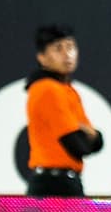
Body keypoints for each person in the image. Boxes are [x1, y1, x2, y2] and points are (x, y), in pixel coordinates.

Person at [26, 24, 103, 198]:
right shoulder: (47, 89)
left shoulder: (68, 90)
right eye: (58, 48)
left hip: (63, 182)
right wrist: (88, 135)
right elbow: (77, 144)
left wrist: (90, 136)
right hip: (52, 185)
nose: (67, 54)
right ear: (42, 57)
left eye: (70, 47)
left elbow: (97, 142)